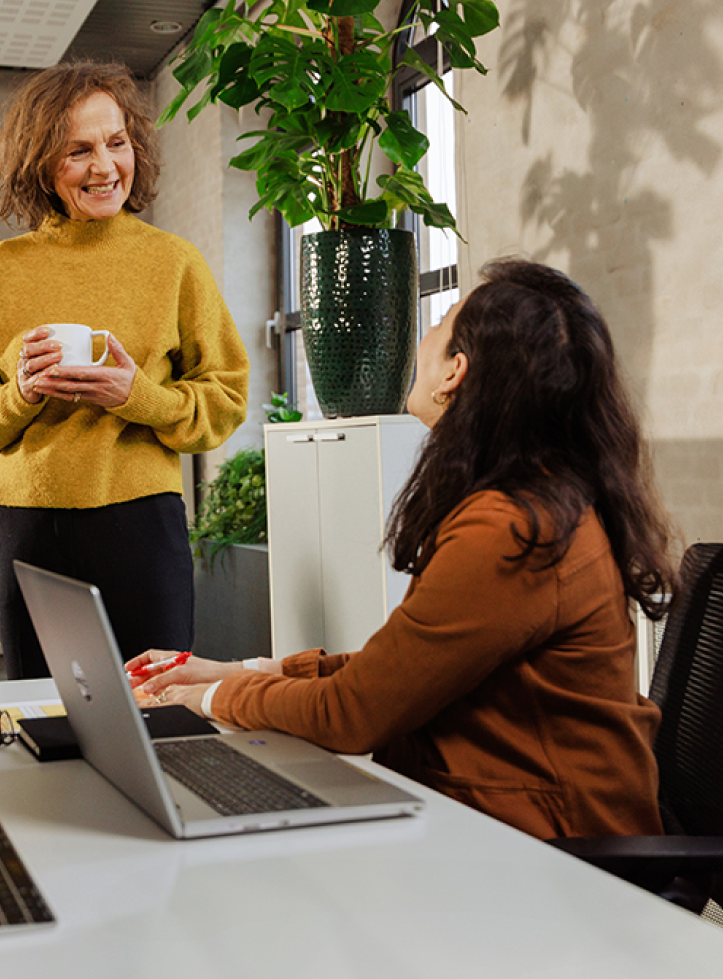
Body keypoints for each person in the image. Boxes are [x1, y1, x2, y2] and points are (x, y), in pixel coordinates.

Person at [130, 260, 676, 840]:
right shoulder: (530, 500)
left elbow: (353, 713)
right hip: (508, 815)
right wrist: (241, 670)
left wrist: (213, 698)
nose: (422, 338)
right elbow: (396, 672)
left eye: (440, 323)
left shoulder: (513, 530)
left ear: (455, 373)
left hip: (553, 850)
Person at [0, 60, 250, 680]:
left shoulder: (174, 263)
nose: (106, 167)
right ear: (39, 163)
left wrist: (138, 396)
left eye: (117, 143)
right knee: (42, 707)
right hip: (30, 526)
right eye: (78, 151)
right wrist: (20, 394)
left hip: (142, 520)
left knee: (157, 702)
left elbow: (226, 398)